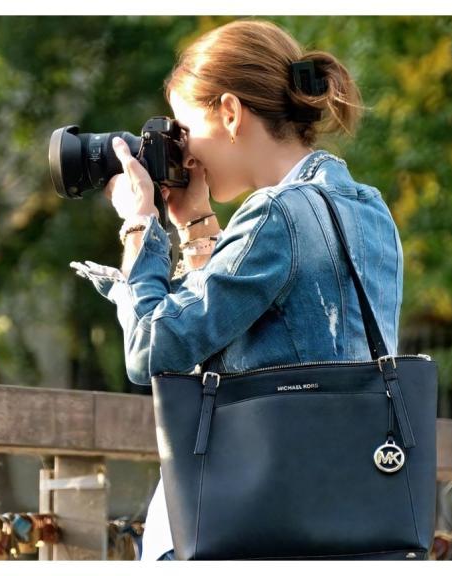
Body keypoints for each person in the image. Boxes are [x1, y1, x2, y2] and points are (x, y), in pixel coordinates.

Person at [70, 18, 403, 561]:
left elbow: (152, 350)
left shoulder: (275, 214)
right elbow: (252, 319)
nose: (183, 153)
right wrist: (196, 223)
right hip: (347, 512)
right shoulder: (367, 209)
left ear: (229, 112)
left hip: (258, 525)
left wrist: (139, 226)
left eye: (184, 128)